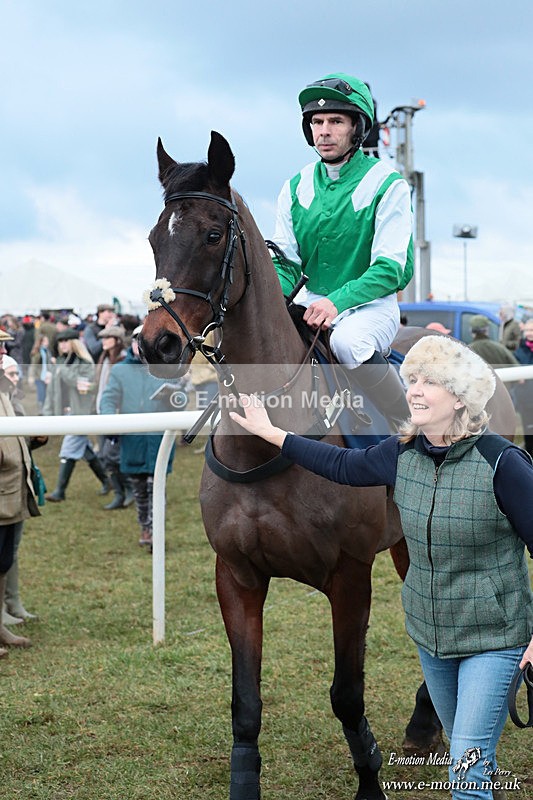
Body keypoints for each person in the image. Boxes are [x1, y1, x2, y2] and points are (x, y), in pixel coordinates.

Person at [230, 335, 533, 800]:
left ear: (459, 398)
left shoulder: (503, 463)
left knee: (467, 772)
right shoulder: (402, 453)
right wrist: (272, 433)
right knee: (469, 755)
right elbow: (341, 464)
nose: (414, 390)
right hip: (433, 637)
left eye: (430, 382)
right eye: (412, 379)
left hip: (495, 639)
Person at [270, 72, 414, 431]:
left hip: (370, 308)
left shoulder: (388, 184)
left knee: (348, 343)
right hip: (310, 304)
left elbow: (390, 269)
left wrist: (336, 302)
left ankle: (410, 429)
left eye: (335, 121)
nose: (324, 131)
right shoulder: (294, 187)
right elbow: (286, 263)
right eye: (317, 122)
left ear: (357, 128)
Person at [99, 325, 175, 548]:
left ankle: (156, 531)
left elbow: (179, 402)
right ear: (131, 343)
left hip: (158, 440)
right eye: (136, 340)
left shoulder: (166, 368)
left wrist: (174, 397)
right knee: (139, 489)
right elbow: (109, 398)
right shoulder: (120, 370)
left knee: (157, 487)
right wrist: (109, 419)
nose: (140, 345)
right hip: (132, 440)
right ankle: (145, 527)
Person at [0, 329, 39, 656]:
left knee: (3, 561)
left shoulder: (4, 387)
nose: (3, 352)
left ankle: (0, 625)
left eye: (3, 346)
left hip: (11, 486)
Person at [42, 328, 109, 502]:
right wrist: (48, 413)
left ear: (74, 343)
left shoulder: (85, 362)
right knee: (85, 450)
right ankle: (108, 482)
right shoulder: (59, 362)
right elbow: (51, 392)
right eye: (60, 342)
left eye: (66, 341)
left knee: (68, 449)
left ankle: (60, 491)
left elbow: (82, 384)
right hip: (65, 412)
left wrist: (61, 369)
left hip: (80, 413)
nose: (62, 345)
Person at [95, 325, 134, 510]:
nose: (103, 341)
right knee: (106, 457)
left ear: (117, 340)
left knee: (112, 456)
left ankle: (128, 489)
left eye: (107, 337)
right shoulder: (104, 359)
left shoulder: (123, 360)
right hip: (102, 414)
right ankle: (121, 492)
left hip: (118, 416)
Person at [513, 319, 533, 458]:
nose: (529, 333)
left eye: (532, 330)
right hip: (526, 398)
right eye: (527, 330)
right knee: (528, 429)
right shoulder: (519, 351)